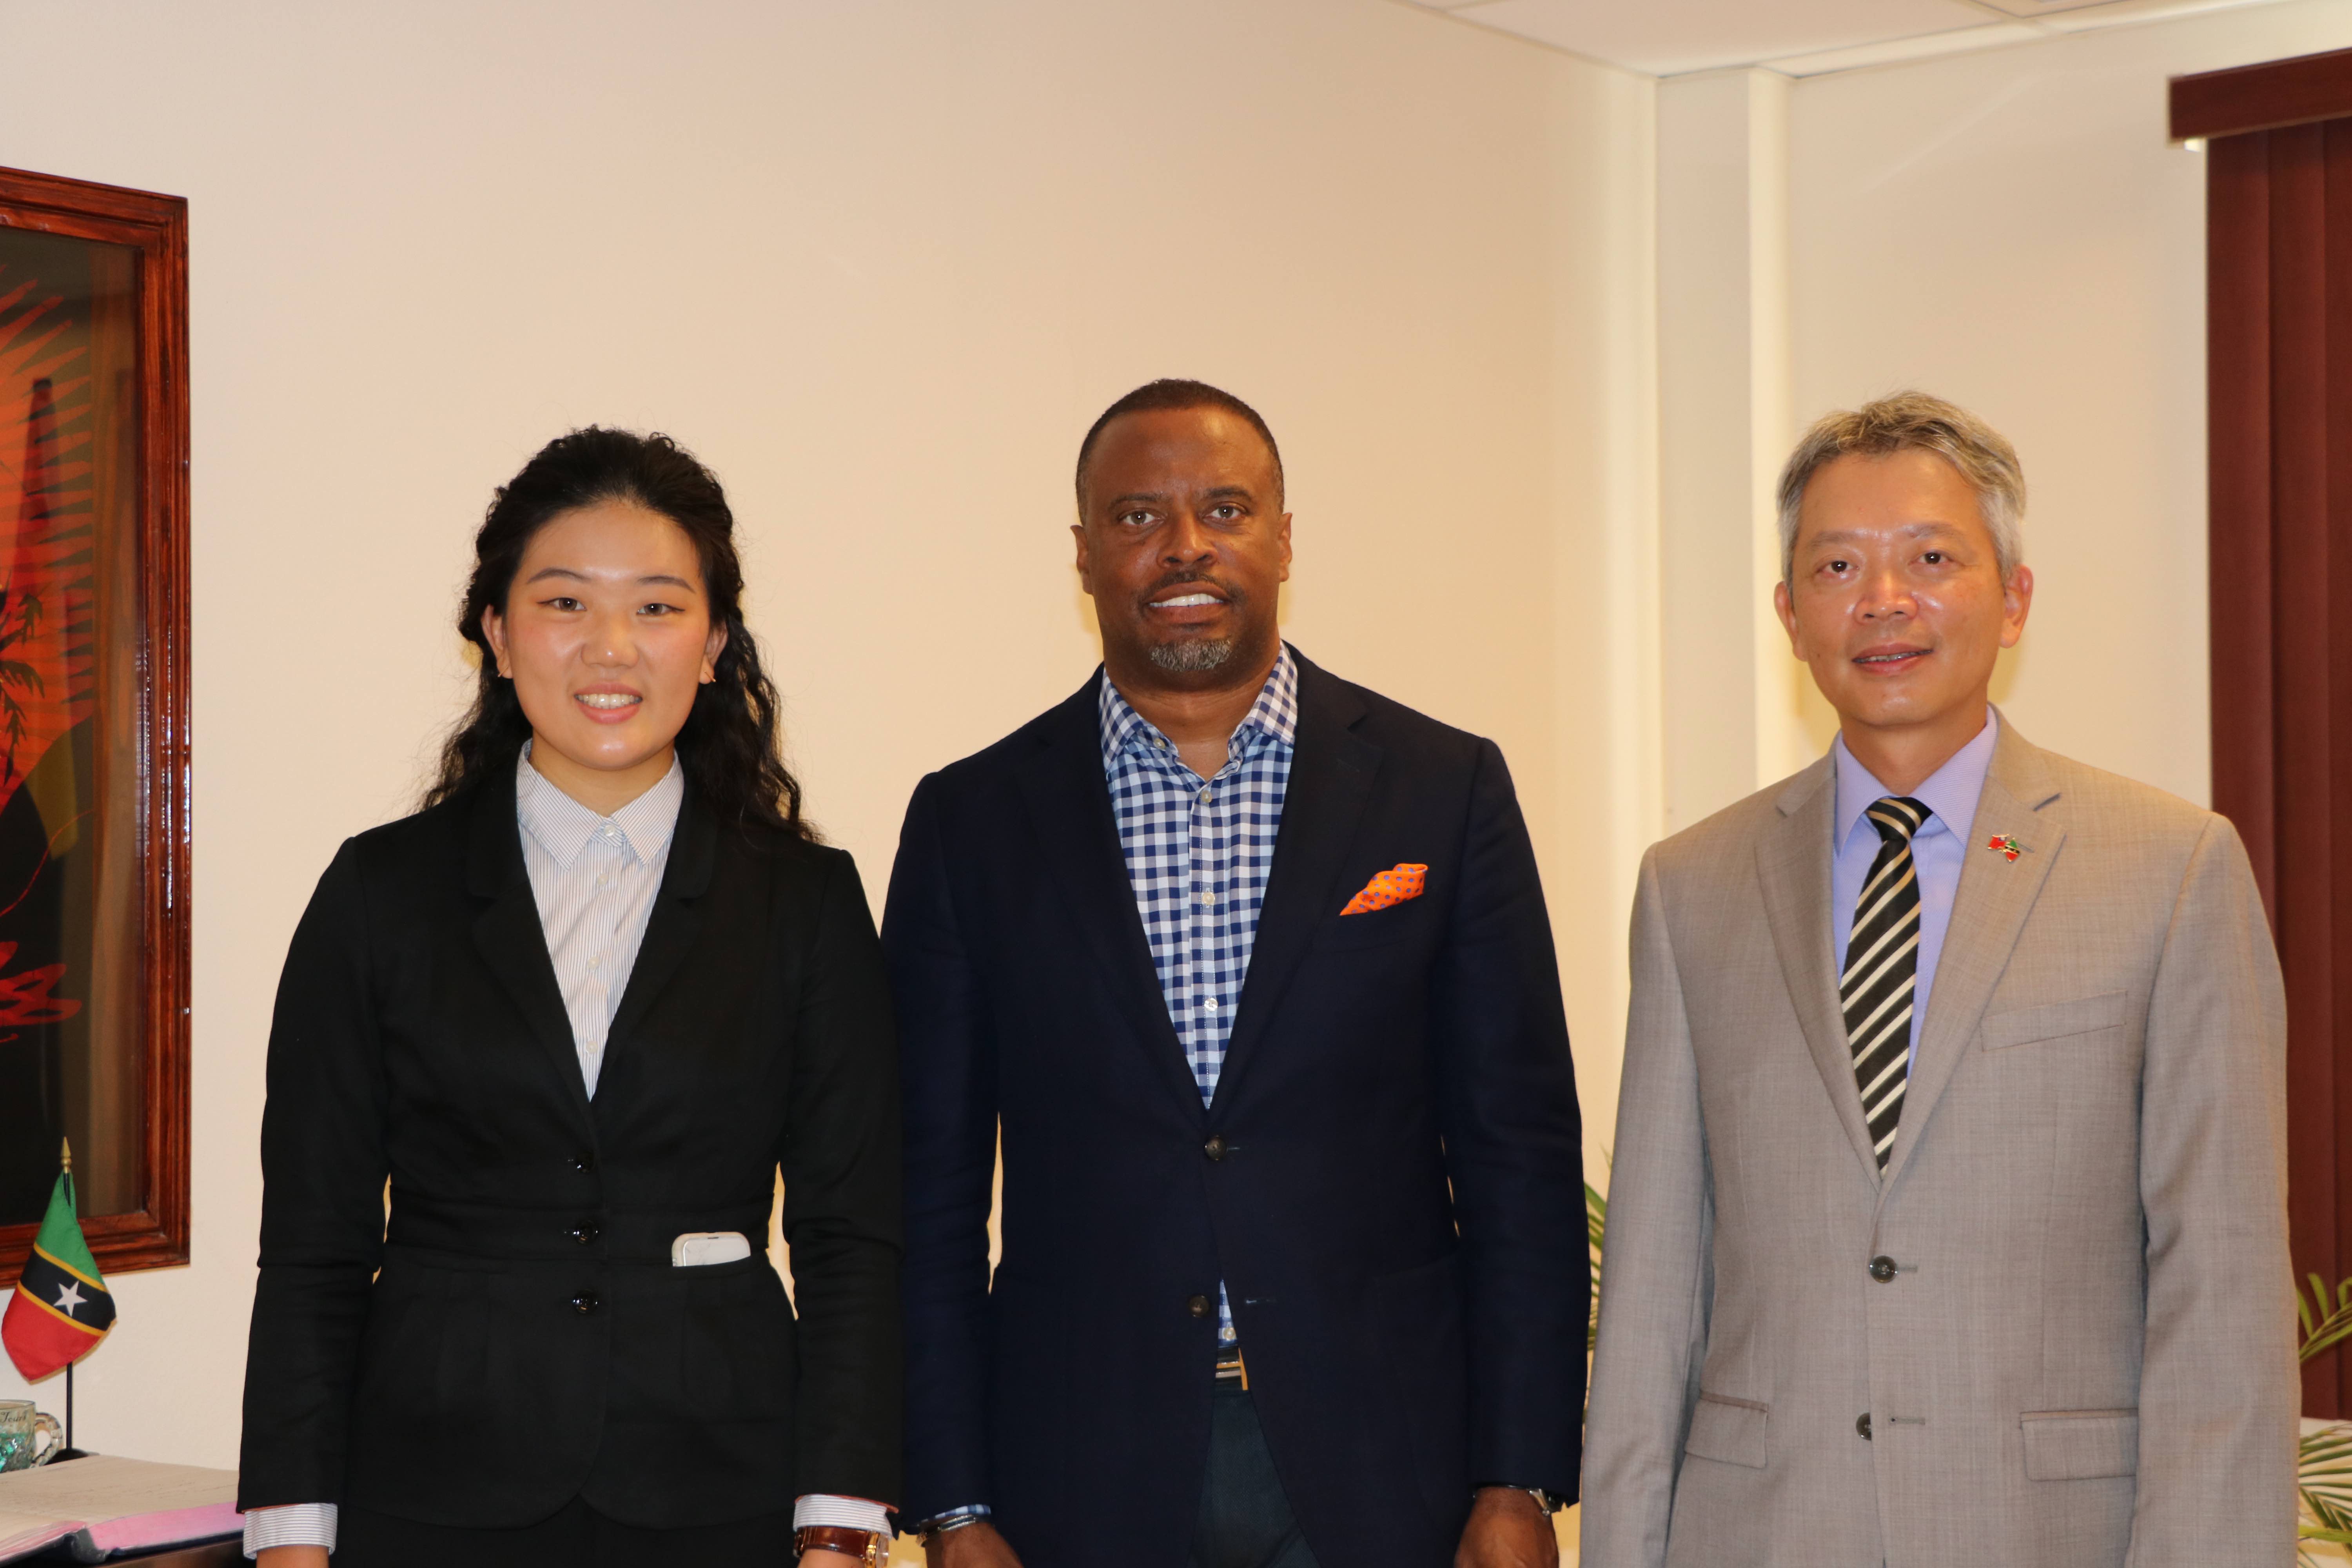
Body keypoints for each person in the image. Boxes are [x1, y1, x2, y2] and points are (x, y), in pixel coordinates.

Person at [1580, 392, 2296, 1566]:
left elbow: (2219, 1295)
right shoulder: (1690, 887)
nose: (1884, 601)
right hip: (1761, 1535)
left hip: (2048, 1533)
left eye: (1931, 558)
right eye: (1838, 565)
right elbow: (1654, 1293)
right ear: (1790, 615)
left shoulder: (2171, 870)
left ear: (2013, 599)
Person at [886, 379, 1586, 1568]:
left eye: (1224, 507)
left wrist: (1517, 1476)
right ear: (1084, 553)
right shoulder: (972, 822)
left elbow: (1518, 1159)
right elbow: (927, 1197)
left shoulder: (1442, 788)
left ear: (1284, 536)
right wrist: (954, 1503)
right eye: (1137, 516)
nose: (1184, 546)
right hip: (1078, 1473)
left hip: (1388, 1466)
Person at [235, 429, 902, 1567]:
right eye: (562, 604)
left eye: (656, 608)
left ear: (715, 644)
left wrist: (841, 1522)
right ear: (496, 635)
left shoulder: (806, 901)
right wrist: (291, 1535)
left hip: (721, 1491)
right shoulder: (379, 892)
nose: (610, 649)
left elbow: (854, 1239)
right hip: (435, 1486)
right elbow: (314, 1242)